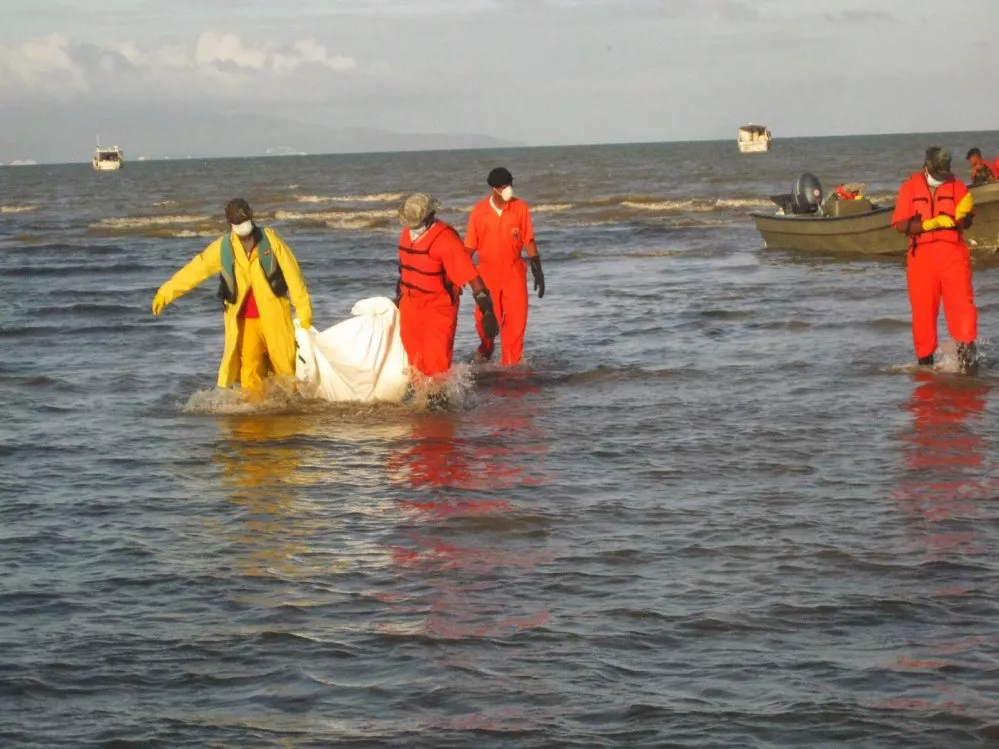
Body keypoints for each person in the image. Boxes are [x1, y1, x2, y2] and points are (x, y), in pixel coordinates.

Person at [151, 198, 313, 396]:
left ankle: (291, 417)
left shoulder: (270, 241)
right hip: (244, 323)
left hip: (276, 318)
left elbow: (293, 275)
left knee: (286, 369)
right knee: (249, 374)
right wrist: (166, 292)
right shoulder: (223, 248)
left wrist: (303, 310)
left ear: (251, 218)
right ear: (230, 223)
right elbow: (196, 269)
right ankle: (254, 420)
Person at [394, 192, 499, 388]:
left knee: (436, 368)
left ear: (430, 216)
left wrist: (488, 311)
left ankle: (440, 412)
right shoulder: (406, 234)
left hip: (437, 309)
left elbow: (472, 277)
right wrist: (397, 298)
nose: (412, 227)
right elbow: (405, 270)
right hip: (409, 306)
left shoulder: (445, 240)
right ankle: (421, 413)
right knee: (415, 365)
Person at [891, 147, 978, 370]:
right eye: (938, 173)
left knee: (962, 309)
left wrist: (964, 214)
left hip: (953, 256)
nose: (943, 177)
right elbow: (899, 224)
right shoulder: (909, 188)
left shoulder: (957, 186)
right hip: (921, 259)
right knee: (923, 313)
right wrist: (928, 225)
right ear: (927, 165)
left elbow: (967, 223)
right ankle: (925, 366)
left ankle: (967, 364)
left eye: (945, 173)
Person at [464, 167, 545, 366]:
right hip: (487, 277)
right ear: (494, 189)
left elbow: (528, 240)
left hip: (514, 274)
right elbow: (468, 248)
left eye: (509, 185)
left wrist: (537, 268)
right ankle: (485, 351)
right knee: (487, 326)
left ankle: (512, 370)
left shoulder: (520, 208)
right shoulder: (479, 212)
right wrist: (455, 277)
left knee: (516, 327)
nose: (507, 189)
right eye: (503, 186)